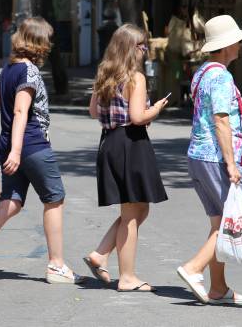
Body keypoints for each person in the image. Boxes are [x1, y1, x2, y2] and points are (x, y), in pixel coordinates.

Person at [0, 17, 82, 284]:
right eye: (46, 40)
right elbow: (21, 110)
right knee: (54, 199)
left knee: (10, 202)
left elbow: (0, 100)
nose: (49, 45)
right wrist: (16, 150)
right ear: (39, 43)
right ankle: (56, 265)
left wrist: (12, 149)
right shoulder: (29, 71)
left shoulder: (9, 69)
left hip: (13, 143)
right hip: (31, 144)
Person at [172, 15, 242, 305]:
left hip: (198, 155)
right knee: (231, 222)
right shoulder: (221, 77)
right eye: (237, 41)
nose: (241, 45)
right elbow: (221, 120)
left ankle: (218, 287)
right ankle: (194, 268)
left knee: (219, 223)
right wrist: (232, 164)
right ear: (227, 45)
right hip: (216, 158)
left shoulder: (203, 72)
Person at [83, 24, 169, 293]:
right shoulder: (136, 77)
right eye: (143, 47)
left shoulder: (104, 73)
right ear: (132, 48)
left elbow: (93, 111)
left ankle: (101, 252)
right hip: (130, 143)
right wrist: (154, 109)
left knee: (138, 208)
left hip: (109, 142)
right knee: (132, 213)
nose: (145, 52)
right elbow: (137, 117)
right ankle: (128, 276)